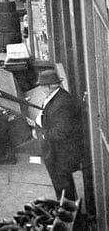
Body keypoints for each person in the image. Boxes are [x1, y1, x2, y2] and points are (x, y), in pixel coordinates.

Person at [35, 69, 85, 201]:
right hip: (55, 151)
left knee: (63, 183)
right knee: (60, 182)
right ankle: (65, 206)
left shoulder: (62, 103)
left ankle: (68, 210)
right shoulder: (55, 97)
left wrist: (44, 135)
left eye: (42, 85)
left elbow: (62, 131)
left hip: (60, 152)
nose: (40, 88)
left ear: (50, 86)